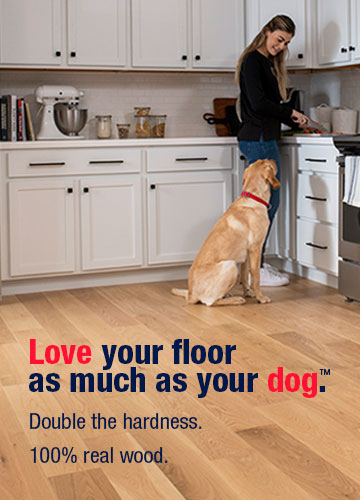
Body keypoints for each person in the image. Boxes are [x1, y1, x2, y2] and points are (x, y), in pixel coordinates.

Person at [235, 14, 309, 286]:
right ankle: (256, 270)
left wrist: (291, 116)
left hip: (263, 138)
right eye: (279, 39)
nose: (280, 46)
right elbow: (258, 104)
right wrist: (288, 111)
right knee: (263, 207)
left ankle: (258, 266)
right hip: (259, 140)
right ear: (267, 31)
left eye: (285, 43)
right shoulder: (253, 61)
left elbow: (266, 106)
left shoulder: (266, 63)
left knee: (264, 205)